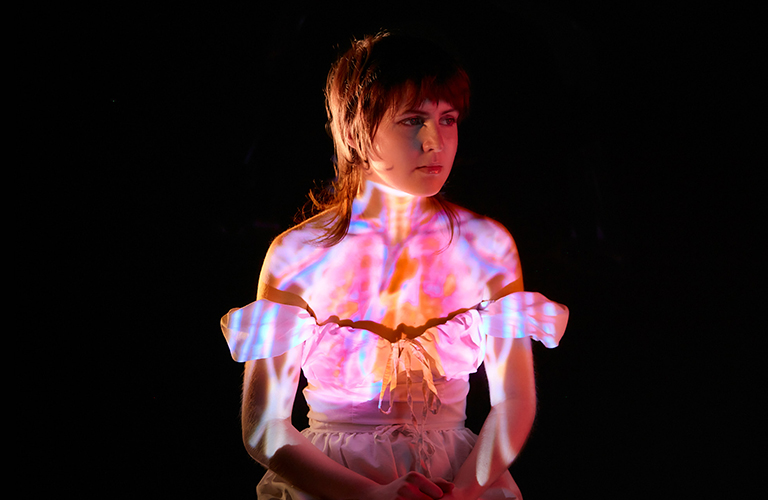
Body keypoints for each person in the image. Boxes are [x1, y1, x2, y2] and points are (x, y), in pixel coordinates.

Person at [221, 31, 568, 500]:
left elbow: (514, 401)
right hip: (331, 481)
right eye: (412, 120)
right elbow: (265, 428)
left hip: (461, 477)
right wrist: (370, 496)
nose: (435, 142)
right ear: (354, 131)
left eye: (447, 119)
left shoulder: (487, 246)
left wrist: (465, 490)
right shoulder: (298, 256)